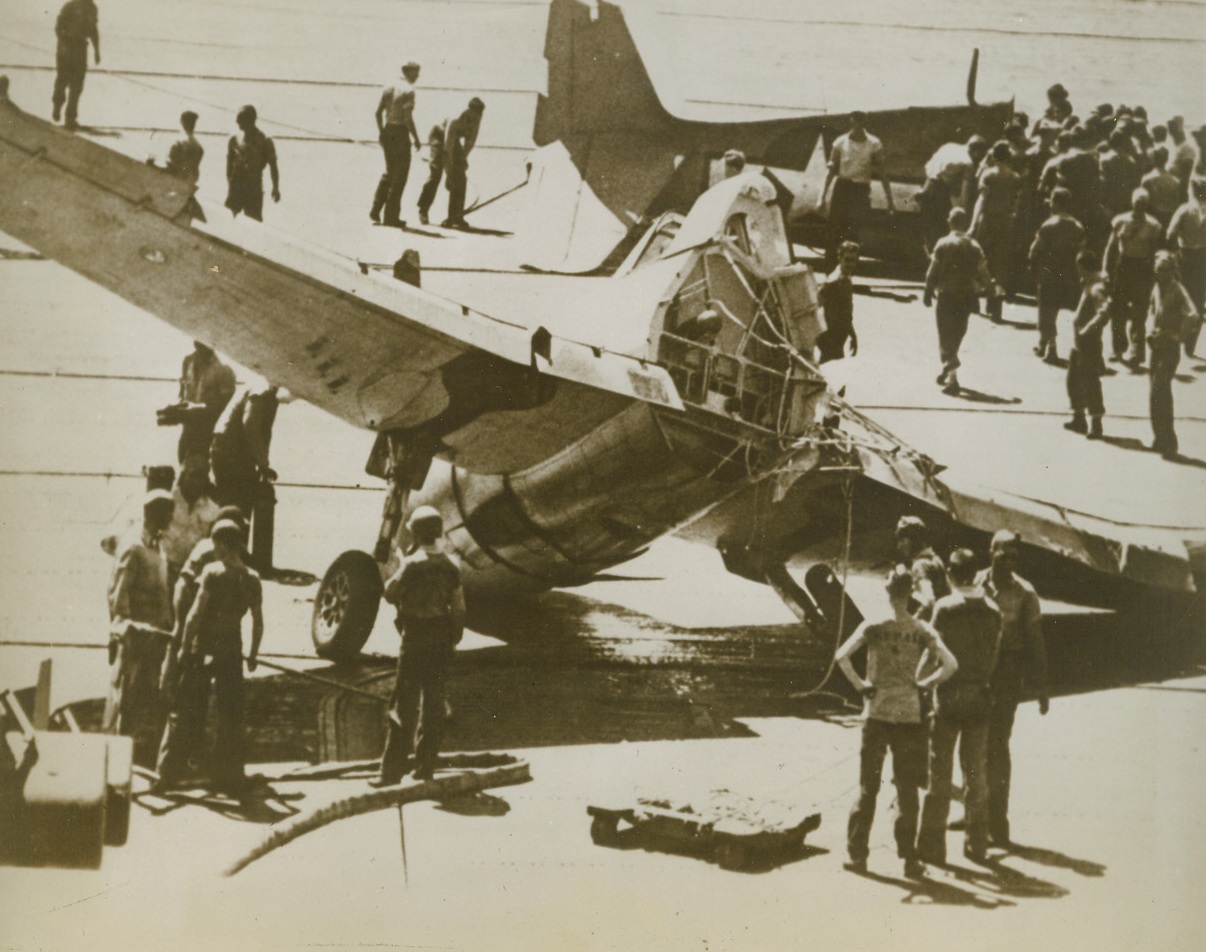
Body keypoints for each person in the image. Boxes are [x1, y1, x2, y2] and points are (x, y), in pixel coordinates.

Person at [836, 567, 958, 878]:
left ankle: (858, 855)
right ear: (910, 592)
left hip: (876, 714)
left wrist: (861, 685)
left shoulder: (874, 626)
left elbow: (841, 656)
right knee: (907, 790)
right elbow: (950, 664)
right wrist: (927, 684)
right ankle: (909, 859)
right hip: (909, 716)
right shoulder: (920, 629)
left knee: (868, 788)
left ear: (887, 592)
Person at [154, 519, 263, 793]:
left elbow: (194, 615)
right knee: (231, 713)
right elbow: (258, 621)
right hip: (231, 650)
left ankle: (166, 774)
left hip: (203, 648)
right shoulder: (252, 578)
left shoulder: (213, 572)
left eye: (215, 543)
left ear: (222, 544)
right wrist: (252, 654)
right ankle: (229, 775)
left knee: (186, 708)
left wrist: (183, 646)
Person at [916, 548, 1001, 865]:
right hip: (979, 698)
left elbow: (932, 652)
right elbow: (993, 657)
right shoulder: (993, 610)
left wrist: (920, 681)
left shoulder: (945, 607)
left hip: (948, 698)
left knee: (939, 774)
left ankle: (932, 848)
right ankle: (977, 845)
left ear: (950, 574)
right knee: (976, 776)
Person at [374, 506, 466, 786]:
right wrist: (453, 638)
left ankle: (391, 773)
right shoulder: (451, 565)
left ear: (415, 533)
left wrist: (398, 566)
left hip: (414, 637)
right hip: (440, 637)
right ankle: (425, 768)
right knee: (434, 705)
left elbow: (390, 594)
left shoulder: (413, 565)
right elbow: (459, 609)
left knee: (404, 705)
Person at [977, 530, 1048, 848]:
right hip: (976, 670)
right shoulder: (973, 583)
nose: (1009, 560)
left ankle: (997, 822)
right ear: (991, 552)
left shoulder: (1025, 593)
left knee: (997, 745)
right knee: (974, 745)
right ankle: (974, 819)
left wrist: (1042, 684)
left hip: (1007, 672)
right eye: (1004, 553)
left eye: (1015, 556)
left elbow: (1035, 640)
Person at [104, 489, 175, 766]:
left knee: (147, 695)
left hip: (155, 636)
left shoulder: (157, 546)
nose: (170, 518)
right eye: (166, 513)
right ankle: (116, 760)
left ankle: (135, 757)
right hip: (134, 637)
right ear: (152, 514)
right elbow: (118, 593)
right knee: (126, 700)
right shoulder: (133, 547)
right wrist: (123, 630)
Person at [924, 207, 995, 394]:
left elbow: (933, 269)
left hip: (947, 294)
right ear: (965, 223)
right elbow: (983, 270)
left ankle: (952, 375)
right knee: (958, 332)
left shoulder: (943, 243)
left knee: (945, 332)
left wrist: (928, 289)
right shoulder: (974, 245)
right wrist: (990, 289)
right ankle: (948, 369)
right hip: (967, 296)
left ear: (949, 222)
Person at [821, 111, 895, 269]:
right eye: (855, 118)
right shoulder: (840, 142)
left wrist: (890, 201)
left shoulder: (874, 144)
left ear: (865, 121)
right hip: (842, 188)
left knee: (854, 233)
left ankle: (849, 274)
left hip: (860, 191)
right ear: (851, 120)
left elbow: (882, 173)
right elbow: (831, 170)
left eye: (861, 118)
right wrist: (821, 197)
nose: (858, 122)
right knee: (834, 230)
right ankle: (830, 271)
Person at [1147, 251, 1199, 459]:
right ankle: (1160, 438)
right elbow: (1153, 312)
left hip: (1169, 347)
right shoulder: (1156, 288)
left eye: (1163, 270)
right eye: (1157, 269)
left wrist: (1178, 335)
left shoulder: (1177, 290)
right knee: (1154, 394)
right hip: (1156, 345)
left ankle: (1169, 441)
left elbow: (1193, 315)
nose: (1158, 273)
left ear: (1172, 271)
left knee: (1161, 391)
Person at [1103, 187, 1163, 367]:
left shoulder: (1153, 226)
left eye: (1143, 204)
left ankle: (1136, 352)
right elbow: (1111, 248)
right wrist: (1106, 270)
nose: (1139, 207)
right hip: (1123, 266)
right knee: (1118, 309)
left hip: (1142, 268)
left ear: (1147, 205)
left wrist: (1154, 274)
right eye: (1137, 203)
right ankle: (1118, 349)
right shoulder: (1121, 221)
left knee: (1139, 311)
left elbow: (1153, 252)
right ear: (1132, 202)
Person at [1028, 188, 1086, 362]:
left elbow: (1035, 249)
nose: (1050, 203)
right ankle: (1043, 342)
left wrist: (1032, 263)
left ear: (1058, 203)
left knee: (1047, 309)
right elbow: (1081, 253)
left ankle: (1050, 346)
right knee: (1056, 309)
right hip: (1068, 274)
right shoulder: (1078, 227)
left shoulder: (1048, 225)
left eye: (1052, 200)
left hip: (1048, 272)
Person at [209, 385, 280, 518]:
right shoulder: (261, 391)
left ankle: (231, 532)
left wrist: (262, 462)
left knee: (235, 502)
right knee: (237, 504)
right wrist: (263, 464)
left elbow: (262, 433)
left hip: (232, 452)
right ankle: (231, 534)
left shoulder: (262, 388)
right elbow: (250, 427)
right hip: (231, 454)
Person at [971, 141, 1022, 320]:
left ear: (993, 157)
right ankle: (997, 294)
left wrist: (973, 223)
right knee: (1001, 260)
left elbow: (981, 201)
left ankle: (976, 296)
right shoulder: (1015, 177)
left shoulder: (988, 175)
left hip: (988, 220)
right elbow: (1016, 203)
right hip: (1006, 221)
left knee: (981, 257)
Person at [164, 341, 236, 467]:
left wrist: (199, 411)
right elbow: (183, 394)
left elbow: (226, 406)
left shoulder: (224, 368)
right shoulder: (188, 361)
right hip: (188, 427)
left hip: (209, 430)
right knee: (183, 464)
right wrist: (177, 408)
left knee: (202, 468)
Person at [1064, 249, 1111, 439]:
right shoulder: (1089, 284)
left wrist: (1088, 328)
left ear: (1083, 267)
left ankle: (1096, 424)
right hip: (1079, 343)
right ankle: (1079, 418)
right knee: (1073, 380)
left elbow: (1104, 311)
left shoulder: (1097, 287)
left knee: (1090, 382)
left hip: (1088, 343)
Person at [370, 61, 422, 227]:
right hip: (400, 134)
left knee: (389, 171)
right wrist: (416, 138)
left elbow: (378, 113)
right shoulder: (409, 91)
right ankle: (391, 217)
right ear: (408, 72)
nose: (418, 76)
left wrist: (381, 132)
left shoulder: (389, 86)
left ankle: (376, 209)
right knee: (400, 176)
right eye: (416, 72)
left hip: (388, 131)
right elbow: (407, 118)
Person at [919, 135, 988, 256]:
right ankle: (937, 257)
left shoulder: (949, 146)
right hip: (940, 191)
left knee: (928, 224)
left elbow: (928, 166)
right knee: (941, 225)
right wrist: (964, 216)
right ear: (975, 151)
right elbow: (965, 193)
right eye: (980, 154)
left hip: (928, 185)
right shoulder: (968, 163)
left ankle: (929, 254)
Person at [1168, 179, 1206, 356]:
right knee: (1198, 299)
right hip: (1203, 258)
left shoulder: (1184, 209)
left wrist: (1177, 247)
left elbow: (1171, 233)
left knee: (1181, 295)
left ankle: (1176, 335)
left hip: (1185, 257)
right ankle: (1190, 343)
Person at [225, 105, 280, 222]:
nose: (237, 122)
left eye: (240, 118)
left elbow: (273, 165)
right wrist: (230, 183)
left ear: (250, 120)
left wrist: (275, 187)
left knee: (253, 222)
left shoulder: (264, 141)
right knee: (229, 219)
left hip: (253, 186)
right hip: (236, 185)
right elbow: (229, 164)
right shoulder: (234, 140)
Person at [52, 0, 99, 132]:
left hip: (80, 48)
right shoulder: (70, 6)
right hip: (66, 47)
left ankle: (70, 118)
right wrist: (64, 42)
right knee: (62, 80)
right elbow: (58, 27)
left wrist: (97, 51)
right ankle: (57, 105)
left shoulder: (92, 7)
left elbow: (93, 30)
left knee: (77, 85)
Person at [894, 515, 950, 621]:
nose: (899, 546)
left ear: (915, 539)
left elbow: (929, 603)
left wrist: (911, 625)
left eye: (903, 540)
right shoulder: (936, 559)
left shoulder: (920, 566)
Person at [442, 97, 485, 229]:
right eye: (475, 115)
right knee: (451, 178)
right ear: (469, 111)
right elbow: (447, 149)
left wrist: (463, 158)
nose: (477, 119)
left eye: (479, 116)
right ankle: (450, 217)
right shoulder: (456, 120)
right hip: (440, 135)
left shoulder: (476, 118)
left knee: (461, 178)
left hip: (454, 140)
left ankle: (458, 216)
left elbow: (470, 142)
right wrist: (448, 173)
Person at [815, 240, 859, 362]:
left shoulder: (845, 278)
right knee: (833, 374)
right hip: (830, 337)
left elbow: (846, 313)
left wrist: (852, 334)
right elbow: (817, 303)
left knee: (830, 374)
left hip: (838, 337)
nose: (850, 264)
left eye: (853, 260)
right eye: (847, 260)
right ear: (839, 258)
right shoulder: (834, 281)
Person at [1140, 147, 1181, 231]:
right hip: (1168, 219)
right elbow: (1176, 203)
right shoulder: (1175, 181)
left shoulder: (1147, 179)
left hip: (1152, 219)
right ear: (1166, 159)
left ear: (1154, 159)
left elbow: (1143, 202)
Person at [416, 122, 446, 226]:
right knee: (436, 174)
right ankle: (423, 209)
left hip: (451, 135)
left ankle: (455, 213)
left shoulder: (475, 119)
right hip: (439, 133)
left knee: (459, 175)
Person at [164, 110, 204, 183]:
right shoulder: (199, 147)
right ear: (194, 124)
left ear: (181, 122)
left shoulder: (178, 143)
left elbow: (171, 169)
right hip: (190, 185)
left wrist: (152, 165)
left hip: (176, 184)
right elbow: (195, 171)